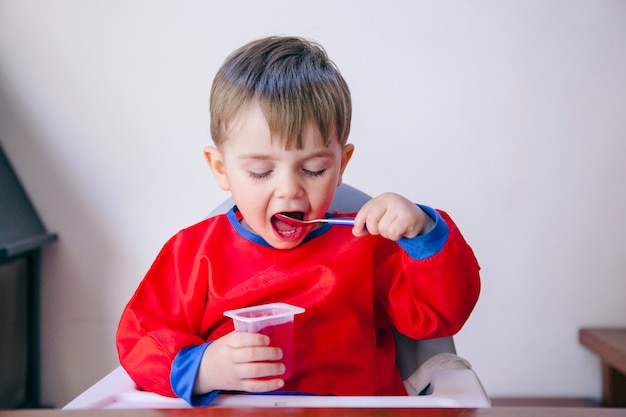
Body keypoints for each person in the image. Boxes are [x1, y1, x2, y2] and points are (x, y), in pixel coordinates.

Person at [116, 35, 480, 406]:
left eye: (313, 169)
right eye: (260, 172)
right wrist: (204, 367)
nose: (290, 189)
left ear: (341, 165)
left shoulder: (367, 246)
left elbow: (437, 316)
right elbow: (139, 339)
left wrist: (424, 233)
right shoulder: (193, 254)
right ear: (221, 168)